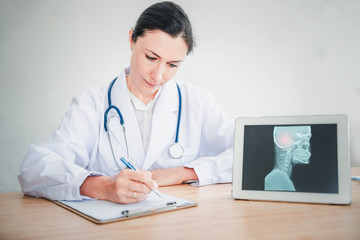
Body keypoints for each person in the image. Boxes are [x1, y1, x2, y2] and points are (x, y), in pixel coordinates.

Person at [18, 1, 234, 204]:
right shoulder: (92, 102)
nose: (158, 76)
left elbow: (248, 155)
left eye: (172, 65)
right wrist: (100, 186)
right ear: (132, 40)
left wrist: (184, 172)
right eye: (151, 57)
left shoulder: (197, 102)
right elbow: (34, 169)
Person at [265, 126, 312, 191]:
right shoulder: (277, 177)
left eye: (307, 140)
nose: (307, 147)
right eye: (302, 140)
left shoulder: (279, 177)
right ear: (286, 143)